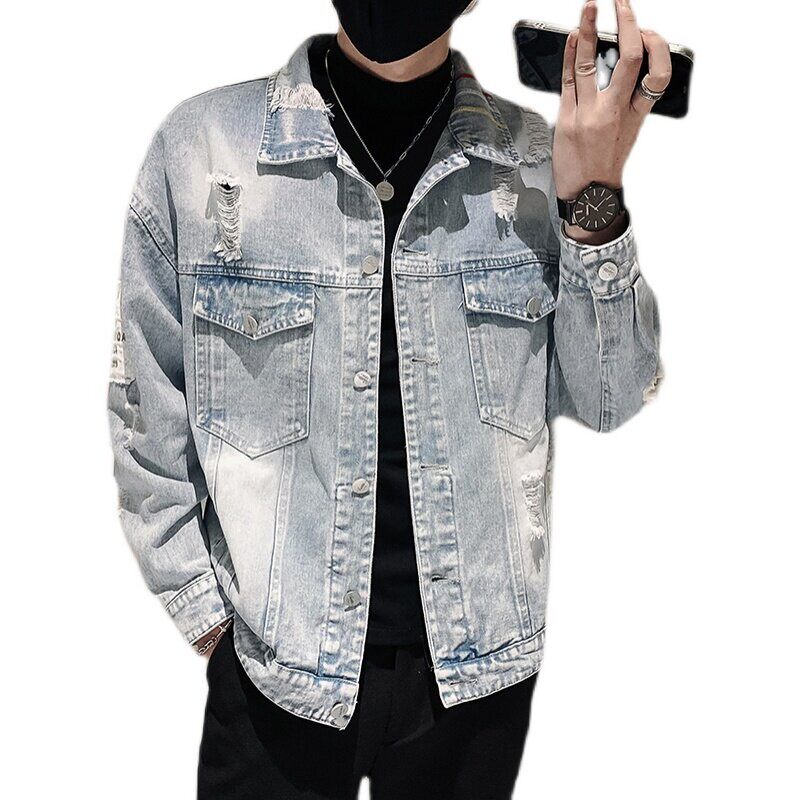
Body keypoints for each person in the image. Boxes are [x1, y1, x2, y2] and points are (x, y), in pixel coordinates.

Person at [107, 0, 671, 797]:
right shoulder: (206, 149)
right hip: (275, 673)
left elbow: (609, 394)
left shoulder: (530, 162)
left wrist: (594, 192)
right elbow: (146, 402)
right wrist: (204, 612)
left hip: (476, 681)